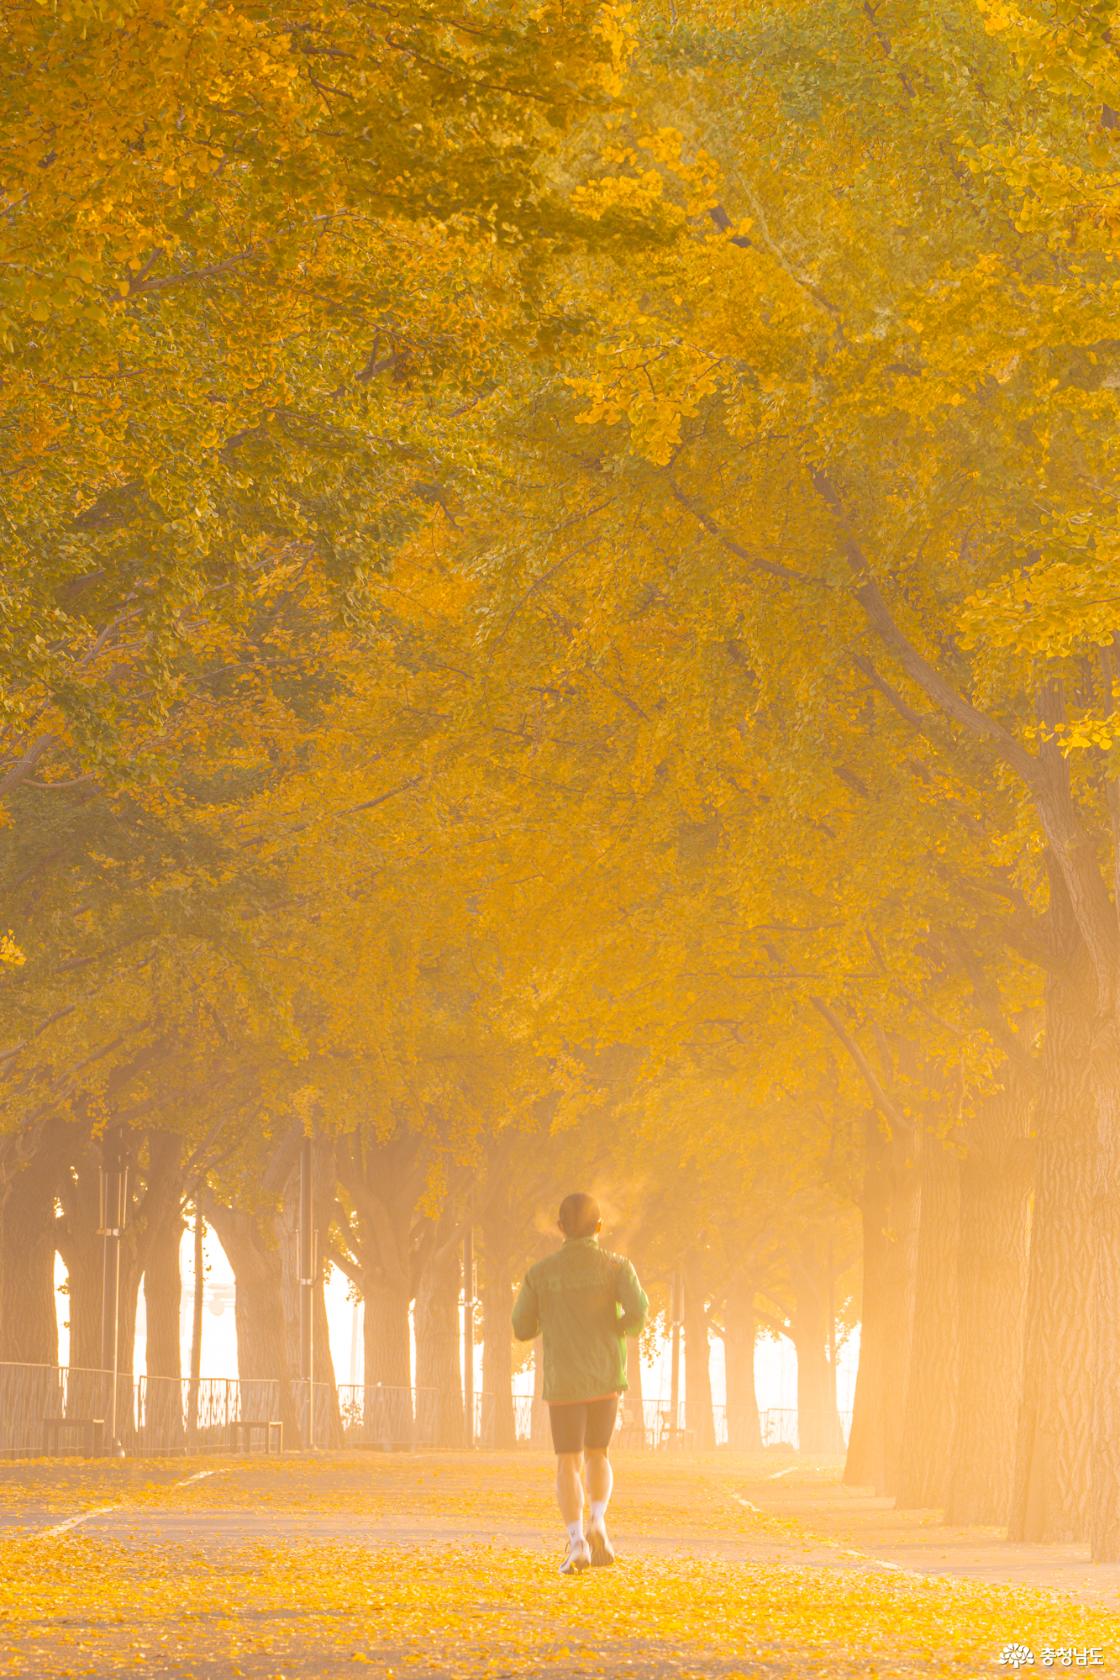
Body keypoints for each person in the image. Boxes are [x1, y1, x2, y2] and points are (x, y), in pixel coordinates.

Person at [512, 1191, 648, 1574]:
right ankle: (599, 1521)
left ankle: (576, 1542)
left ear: (560, 1228)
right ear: (599, 1226)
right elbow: (639, 1312)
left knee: (567, 1461)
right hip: (604, 1375)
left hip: (564, 1381)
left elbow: (521, 1327)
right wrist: (617, 1329)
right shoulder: (617, 1267)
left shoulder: (539, 1274)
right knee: (598, 1453)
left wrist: (548, 1322)